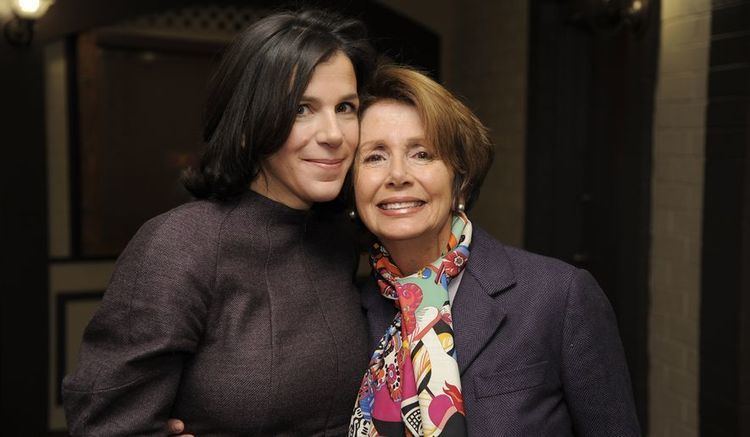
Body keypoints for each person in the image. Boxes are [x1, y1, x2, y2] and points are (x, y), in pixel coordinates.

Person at [62, 9, 375, 436]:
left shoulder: (338, 238)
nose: (334, 133)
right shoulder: (180, 245)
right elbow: (104, 425)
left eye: (346, 107)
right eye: (301, 108)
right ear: (248, 124)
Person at [348, 65, 641, 436]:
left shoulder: (559, 297)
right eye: (375, 156)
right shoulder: (346, 308)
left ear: (461, 180)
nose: (398, 174)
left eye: (422, 154)